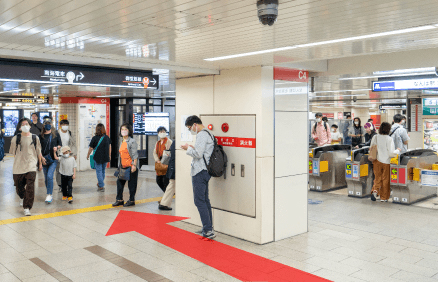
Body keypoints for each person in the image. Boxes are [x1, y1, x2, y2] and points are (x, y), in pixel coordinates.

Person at [181, 115, 215, 239]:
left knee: (199, 201)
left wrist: (187, 149)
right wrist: (192, 148)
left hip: (200, 171)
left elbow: (198, 154)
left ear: (195, 125)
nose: (190, 130)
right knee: (205, 200)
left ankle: (208, 230)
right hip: (206, 171)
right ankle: (208, 227)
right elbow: (204, 151)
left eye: (190, 128)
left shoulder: (201, 134)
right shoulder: (209, 133)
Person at [10, 118, 43, 216]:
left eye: (27, 124)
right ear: (20, 128)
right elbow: (13, 153)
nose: (25, 125)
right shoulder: (15, 138)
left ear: (30, 126)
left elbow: (38, 152)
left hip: (31, 166)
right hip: (18, 167)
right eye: (23, 124)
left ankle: (27, 207)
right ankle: (22, 197)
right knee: (19, 187)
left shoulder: (35, 138)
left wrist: (40, 163)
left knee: (30, 187)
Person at [370, 122, 401, 202]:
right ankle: (383, 197)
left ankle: (375, 190)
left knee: (377, 178)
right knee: (385, 180)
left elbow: (371, 148)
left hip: (376, 161)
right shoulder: (389, 139)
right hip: (386, 162)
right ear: (388, 129)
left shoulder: (375, 137)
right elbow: (391, 153)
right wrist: (397, 150)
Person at [112, 123, 138, 207]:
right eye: (122, 129)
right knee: (119, 182)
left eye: (125, 129)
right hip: (123, 166)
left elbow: (135, 155)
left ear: (129, 131)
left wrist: (134, 165)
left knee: (131, 185)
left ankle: (131, 200)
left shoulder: (132, 141)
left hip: (130, 166)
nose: (123, 131)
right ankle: (119, 199)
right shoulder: (122, 141)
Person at [40, 121, 62, 204]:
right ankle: (49, 192)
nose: (48, 125)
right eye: (46, 124)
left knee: (49, 176)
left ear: (52, 125)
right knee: (46, 178)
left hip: (53, 159)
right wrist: (41, 159)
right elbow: (38, 148)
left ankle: (49, 194)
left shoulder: (55, 134)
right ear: (44, 126)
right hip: (44, 159)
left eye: (49, 124)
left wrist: (56, 147)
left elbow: (60, 144)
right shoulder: (41, 135)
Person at [87, 124, 111, 192]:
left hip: (97, 157)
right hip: (105, 157)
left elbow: (91, 148)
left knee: (99, 171)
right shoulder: (107, 137)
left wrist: (88, 155)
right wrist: (109, 155)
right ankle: (101, 183)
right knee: (103, 171)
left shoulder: (95, 138)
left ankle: (101, 186)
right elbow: (109, 147)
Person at [56, 119, 77, 192]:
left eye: (66, 125)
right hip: (60, 154)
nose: (65, 126)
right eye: (63, 125)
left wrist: (74, 154)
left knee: (69, 169)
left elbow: (74, 144)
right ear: (60, 125)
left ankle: (69, 184)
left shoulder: (70, 133)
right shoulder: (57, 133)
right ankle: (60, 185)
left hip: (69, 154)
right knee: (59, 170)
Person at [153, 126, 173, 193]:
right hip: (159, 164)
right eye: (161, 132)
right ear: (158, 133)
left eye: (164, 131)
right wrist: (157, 160)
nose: (162, 133)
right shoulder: (157, 142)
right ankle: (167, 194)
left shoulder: (169, 141)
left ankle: (165, 198)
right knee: (158, 181)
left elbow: (171, 153)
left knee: (165, 182)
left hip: (166, 165)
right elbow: (154, 152)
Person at [159, 142, 175, 210]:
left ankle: (164, 203)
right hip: (175, 166)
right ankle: (164, 203)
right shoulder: (177, 142)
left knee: (172, 185)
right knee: (172, 184)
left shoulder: (174, 142)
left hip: (173, 166)